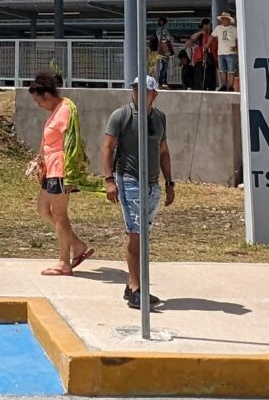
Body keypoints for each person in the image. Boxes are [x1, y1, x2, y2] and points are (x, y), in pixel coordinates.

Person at [101, 76, 175, 311]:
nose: (138, 94)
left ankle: (131, 284)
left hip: (153, 184)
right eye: (135, 90)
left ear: (154, 94)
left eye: (144, 90)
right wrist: (109, 179)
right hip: (129, 180)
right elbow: (108, 147)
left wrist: (170, 182)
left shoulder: (159, 118)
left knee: (144, 233)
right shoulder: (121, 116)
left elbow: (163, 151)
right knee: (135, 233)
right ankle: (136, 289)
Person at [26, 72, 91, 275]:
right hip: (51, 168)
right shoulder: (55, 111)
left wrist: (70, 175)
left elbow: (71, 142)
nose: (38, 105)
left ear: (46, 95)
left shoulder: (65, 110)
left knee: (60, 214)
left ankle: (64, 261)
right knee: (43, 208)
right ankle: (77, 245)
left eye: (38, 101)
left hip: (61, 169)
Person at [215, 12, 238, 93]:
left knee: (231, 70)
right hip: (221, 53)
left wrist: (236, 47)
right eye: (222, 19)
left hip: (231, 53)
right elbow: (212, 36)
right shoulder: (218, 28)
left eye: (225, 18)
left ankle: (230, 86)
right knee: (222, 70)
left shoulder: (234, 29)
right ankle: (224, 85)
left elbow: (239, 38)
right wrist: (207, 44)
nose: (223, 20)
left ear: (229, 20)